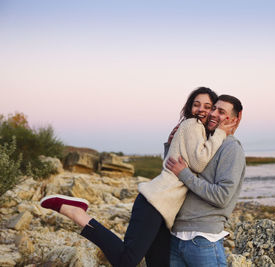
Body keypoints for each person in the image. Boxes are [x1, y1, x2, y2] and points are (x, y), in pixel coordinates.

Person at [39, 87, 237, 267]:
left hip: (164, 212)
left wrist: (173, 145)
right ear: (189, 108)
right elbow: (199, 163)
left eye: (208, 106)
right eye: (196, 104)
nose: (202, 110)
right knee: (127, 260)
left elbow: (176, 161)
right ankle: (77, 213)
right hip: (154, 204)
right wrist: (220, 133)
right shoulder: (193, 124)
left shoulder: (198, 132)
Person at [165, 94, 245, 267]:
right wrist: (171, 146)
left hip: (203, 240)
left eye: (221, 111)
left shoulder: (231, 148)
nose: (213, 114)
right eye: (214, 108)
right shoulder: (206, 143)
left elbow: (222, 196)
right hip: (176, 236)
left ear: (235, 119)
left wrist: (185, 174)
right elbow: (175, 175)